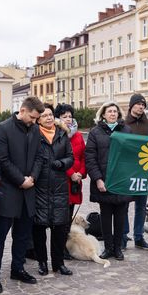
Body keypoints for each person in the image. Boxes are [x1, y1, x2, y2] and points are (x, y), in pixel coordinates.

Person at [0, 96, 45, 293]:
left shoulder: (35, 129)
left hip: (29, 190)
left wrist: (33, 178)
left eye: (37, 118)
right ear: (22, 110)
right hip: (9, 191)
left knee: (22, 235)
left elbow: (39, 157)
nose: (34, 121)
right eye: (32, 117)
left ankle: (18, 268)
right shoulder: (3, 129)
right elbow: (2, 159)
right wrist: (21, 180)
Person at [86, 101, 133, 261]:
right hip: (104, 181)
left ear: (118, 114)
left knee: (121, 216)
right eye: (109, 111)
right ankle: (108, 247)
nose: (112, 114)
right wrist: (98, 179)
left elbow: (132, 155)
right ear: (103, 114)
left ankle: (118, 248)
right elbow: (90, 158)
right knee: (106, 217)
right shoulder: (95, 132)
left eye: (115, 111)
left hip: (121, 182)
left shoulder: (126, 130)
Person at [31, 104, 74, 276]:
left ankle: (59, 263)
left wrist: (62, 163)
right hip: (39, 187)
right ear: (38, 119)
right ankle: (42, 262)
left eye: (50, 115)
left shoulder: (62, 134)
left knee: (59, 228)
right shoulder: (34, 135)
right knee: (39, 228)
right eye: (44, 116)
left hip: (59, 187)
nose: (48, 118)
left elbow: (70, 157)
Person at [55, 103, 86, 260]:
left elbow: (82, 157)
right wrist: (71, 173)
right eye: (64, 116)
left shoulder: (78, 135)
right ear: (58, 118)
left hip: (75, 182)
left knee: (69, 217)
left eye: (69, 116)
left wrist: (80, 173)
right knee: (61, 217)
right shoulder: (56, 134)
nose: (67, 119)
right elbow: (57, 158)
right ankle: (59, 248)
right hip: (61, 181)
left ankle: (66, 246)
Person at [123, 93, 148, 250]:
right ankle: (123, 235)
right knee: (124, 204)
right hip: (127, 171)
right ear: (131, 105)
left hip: (144, 170)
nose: (141, 107)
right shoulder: (123, 124)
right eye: (138, 104)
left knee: (141, 205)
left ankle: (139, 236)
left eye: (143, 104)